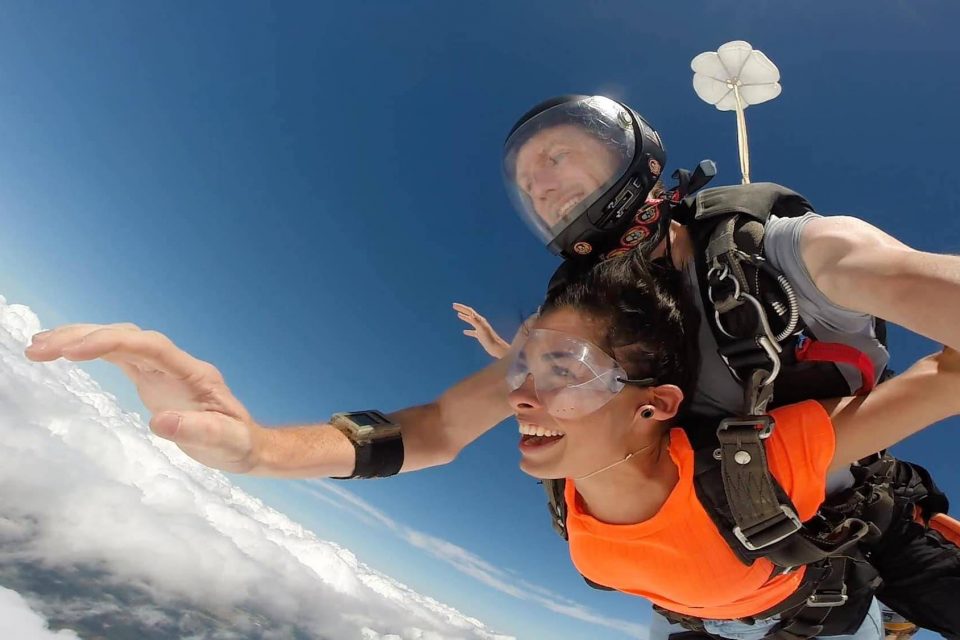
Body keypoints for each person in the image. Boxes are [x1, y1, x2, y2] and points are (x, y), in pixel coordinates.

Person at [23, 252, 960, 640]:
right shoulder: (568, 466)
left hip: (840, 571)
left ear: (655, 405)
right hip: (711, 617)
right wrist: (259, 450)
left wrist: (847, 262)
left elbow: (948, 373)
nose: (524, 393)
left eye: (567, 370)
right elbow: (425, 432)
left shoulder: (780, 458)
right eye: (526, 364)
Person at [500, 94, 960, 638]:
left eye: (555, 157)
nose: (543, 188)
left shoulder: (787, 255)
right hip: (710, 565)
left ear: (629, 153)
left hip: (848, 519)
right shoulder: (589, 316)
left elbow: (909, 302)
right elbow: (473, 415)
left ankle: (888, 605)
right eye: (528, 186)